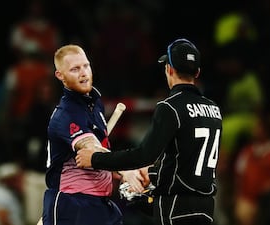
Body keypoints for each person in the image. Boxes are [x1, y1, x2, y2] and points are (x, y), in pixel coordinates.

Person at [76, 38, 223, 225]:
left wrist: (95, 159)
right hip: (206, 209)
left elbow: (143, 155)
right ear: (197, 72)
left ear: (169, 69)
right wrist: (153, 173)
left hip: (176, 207)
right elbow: (186, 160)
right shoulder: (214, 109)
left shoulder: (170, 107)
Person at [40, 44, 148, 225]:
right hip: (72, 203)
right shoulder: (65, 114)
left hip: (100, 203)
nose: (83, 73)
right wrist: (125, 169)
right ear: (61, 76)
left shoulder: (96, 105)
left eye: (85, 66)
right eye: (75, 69)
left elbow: (98, 161)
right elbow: (91, 150)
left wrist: (125, 173)